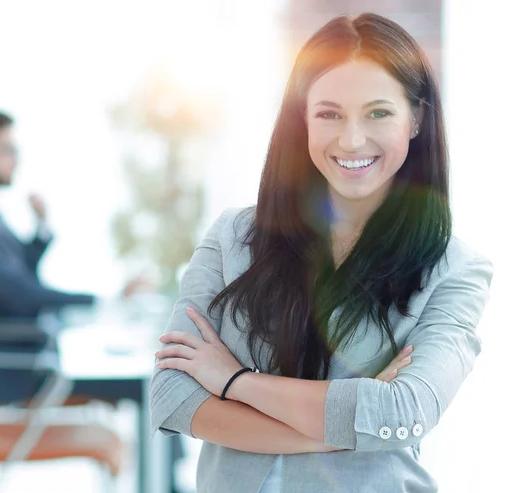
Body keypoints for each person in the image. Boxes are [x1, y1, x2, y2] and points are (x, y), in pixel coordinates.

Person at [149, 13, 493, 493]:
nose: (351, 140)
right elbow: (170, 399)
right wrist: (348, 428)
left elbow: (405, 413)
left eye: (378, 112)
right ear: (302, 120)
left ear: (415, 118)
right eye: (329, 113)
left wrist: (233, 382)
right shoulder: (233, 237)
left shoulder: (455, 269)